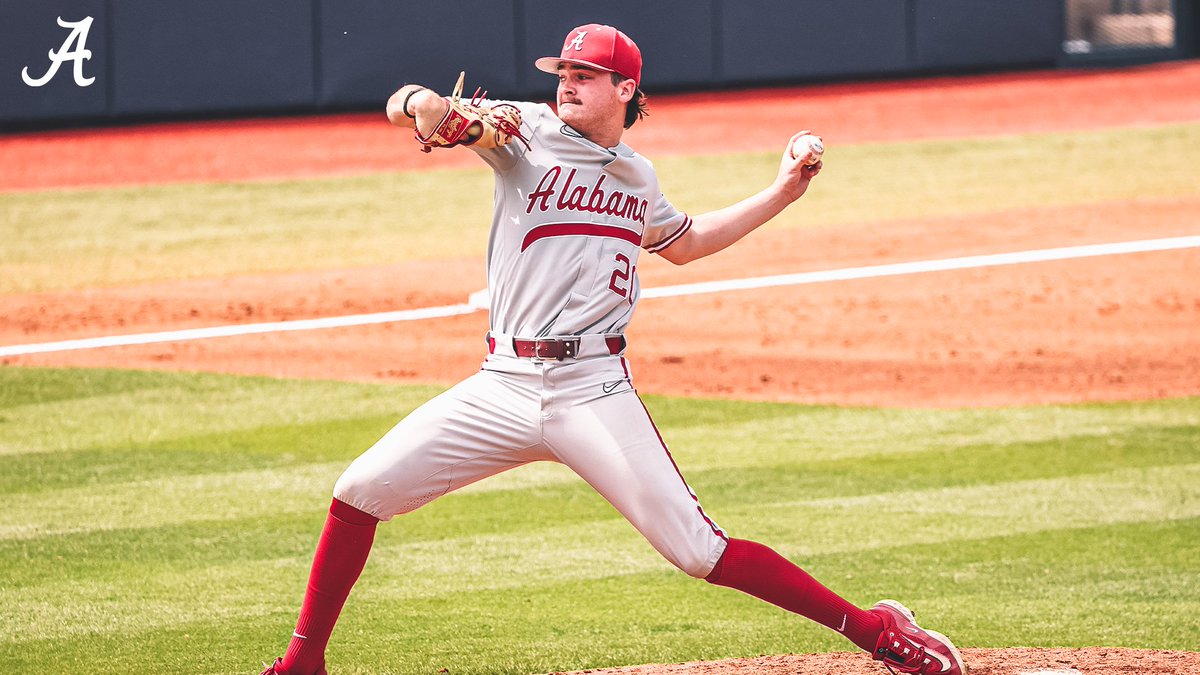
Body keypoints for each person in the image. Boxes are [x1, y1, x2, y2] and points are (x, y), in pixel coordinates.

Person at [259, 23, 965, 675]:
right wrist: (419, 102)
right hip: (502, 382)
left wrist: (783, 191)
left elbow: (683, 243)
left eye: (586, 74)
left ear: (626, 90)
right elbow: (430, 114)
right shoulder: (523, 131)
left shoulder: (639, 176)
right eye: (563, 71)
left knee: (699, 550)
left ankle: (876, 629)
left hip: (591, 388)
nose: (567, 83)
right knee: (358, 490)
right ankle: (303, 662)